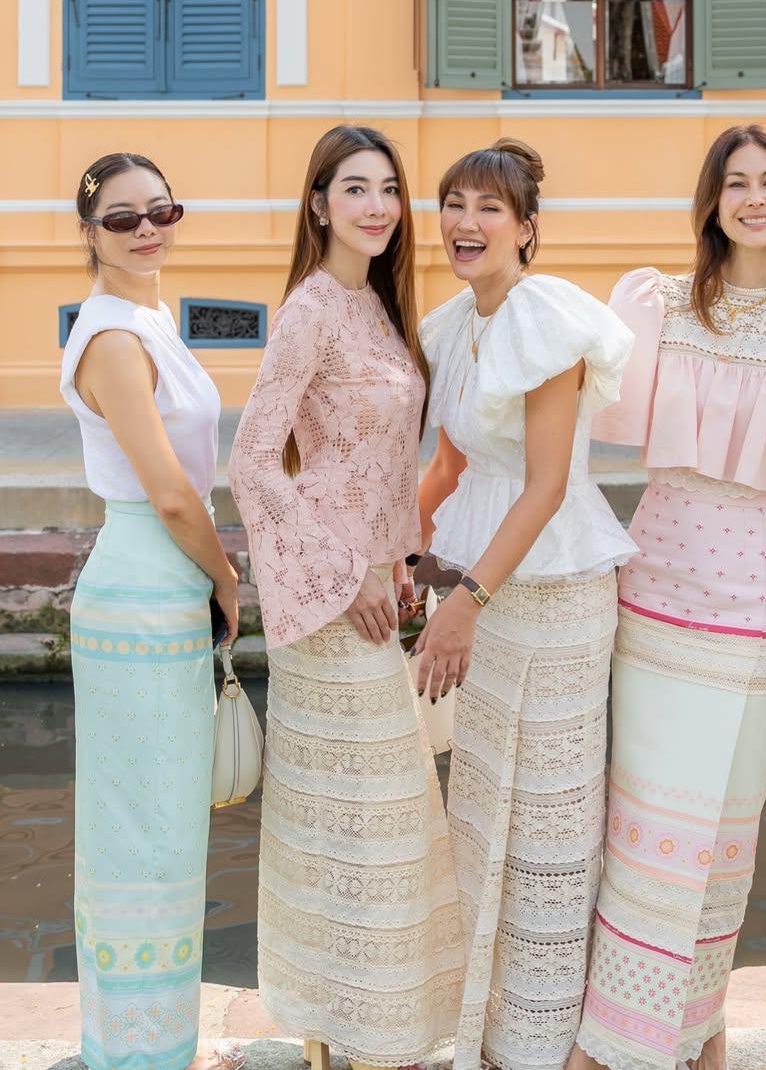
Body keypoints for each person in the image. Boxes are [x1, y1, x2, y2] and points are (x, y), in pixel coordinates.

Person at [569, 125, 766, 1070]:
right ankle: (614, 1039)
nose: (755, 198)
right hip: (656, 585)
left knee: (719, 832)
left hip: (761, 597)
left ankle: (700, 1029)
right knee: (641, 823)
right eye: (736, 183)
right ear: (712, 202)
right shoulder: (658, 304)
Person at [228, 126, 463, 1070]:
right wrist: (344, 571)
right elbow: (252, 460)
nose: (377, 206)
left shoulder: (379, 307)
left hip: (372, 589)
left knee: (379, 818)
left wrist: (399, 556)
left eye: (389, 189)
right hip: (328, 602)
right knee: (352, 819)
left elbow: (386, 459)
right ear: (319, 202)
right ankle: (347, 1035)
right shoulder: (311, 310)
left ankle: (368, 1032)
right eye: (355, 188)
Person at [414, 138, 637, 1070]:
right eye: (454, 203)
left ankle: (544, 1039)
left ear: (526, 228)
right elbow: (452, 463)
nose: (465, 222)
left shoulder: (546, 319)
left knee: (547, 816)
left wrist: (464, 599)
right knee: (479, 805)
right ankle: (484, 1030)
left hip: (550, 591)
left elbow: (545, 485)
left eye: (489, 208)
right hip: (482, 584)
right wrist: (405, 549)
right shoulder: (452, 324)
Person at [61, 153, 242, 1070]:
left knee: (163, 824)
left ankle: (152, 1041)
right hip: (145, 584)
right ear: (88, 232)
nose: (145, 230)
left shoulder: (147, 319)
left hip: (157, 585)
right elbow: (170, 494)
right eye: (122, 217)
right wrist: (227, 578)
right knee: (143, 830)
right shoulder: (111, 338)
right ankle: (137, 1052)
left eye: (160, 211)